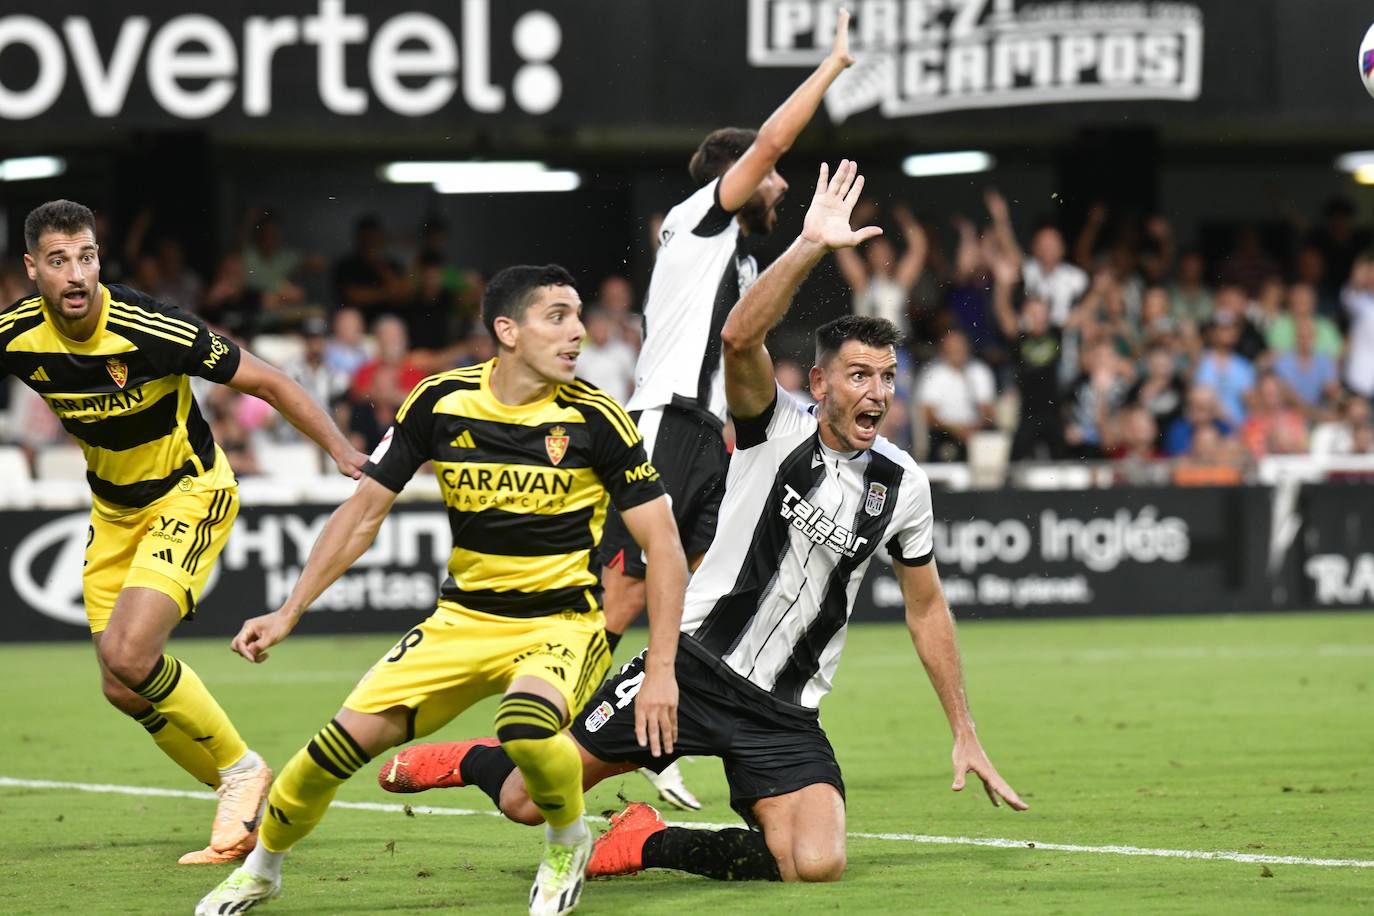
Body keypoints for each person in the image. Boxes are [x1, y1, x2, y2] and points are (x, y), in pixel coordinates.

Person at [382, 160, 1025, 887]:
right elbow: (739, 339)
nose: (875, 392)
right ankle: (473, 758)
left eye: (886, 377)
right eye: (857, 375)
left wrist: (964, 730)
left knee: (814, 863)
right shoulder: (774, 426)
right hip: (691, 670)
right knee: (527, 800)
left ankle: (645, 840)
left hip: (785, 713)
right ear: (818, 383)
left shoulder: (903, 484)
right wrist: (811, 244)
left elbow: (927, 606)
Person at [196, 265, 688, 916]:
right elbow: (363, 514)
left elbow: (666, 550)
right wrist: (290, 611)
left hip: (561, 624)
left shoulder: (599, 420)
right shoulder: (438, 402)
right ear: (507, 330)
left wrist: (660, 669)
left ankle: (568, 842)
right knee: (323, 758)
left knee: (525, 727)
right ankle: (262, 871)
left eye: (578, 316)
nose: (577, 334)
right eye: (558, 317)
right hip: (459, 623)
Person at [3, 200, 366, 865]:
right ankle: (245, 796)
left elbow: (272, 381)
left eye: (87, 256)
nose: (77, 274)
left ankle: (241, 772)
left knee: (133, 654)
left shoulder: (151, 326)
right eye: (59, 261)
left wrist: (342, 452)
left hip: (188, 491)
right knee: (119, 683)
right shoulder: (16, 334)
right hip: (112, 512)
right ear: (33, 270)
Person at [596, 9, 857, 808]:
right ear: (734, 172)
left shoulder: (740, 258)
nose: (778, 183)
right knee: (627, 595)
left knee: (702, 590)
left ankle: (652, 732)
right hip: (670, 422)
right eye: (768, 174)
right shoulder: (700, 221)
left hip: (717, 440)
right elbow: (772, 146)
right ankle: (561, 721)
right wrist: (833, 67)